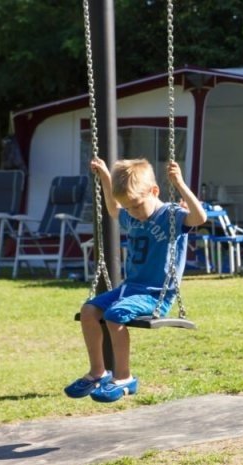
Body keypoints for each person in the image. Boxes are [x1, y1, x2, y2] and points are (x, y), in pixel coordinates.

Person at [64, 157, 207, 403]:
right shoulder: (131, 213)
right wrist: (107, 179)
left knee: (113, 315)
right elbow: (112, 209)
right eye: (129, 207)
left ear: (154, 191)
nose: (133, 213)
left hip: (155, 294)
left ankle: (124, 377)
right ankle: (98, 372)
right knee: (88, 311)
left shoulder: (171, 215)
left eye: (137, 206)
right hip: (129, 290)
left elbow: (200, 217)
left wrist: (180, 183)